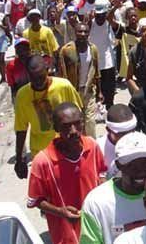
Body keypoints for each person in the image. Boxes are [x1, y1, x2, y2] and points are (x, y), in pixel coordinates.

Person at [27, 102, 107, 244]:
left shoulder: (92, 146)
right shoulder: (43, 161)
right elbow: (36, 200)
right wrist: (60, 212)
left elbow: (101, 172)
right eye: (66, 126)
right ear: (56, 128)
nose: (73, 131)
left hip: (97, 229)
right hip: (66, 236)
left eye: (77, 124)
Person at [13, 55, 83, 179]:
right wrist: (19, 159)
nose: (38, 82)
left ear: (47, 69)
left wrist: (83, 144)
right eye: (34, 78)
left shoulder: (63, 86)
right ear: (28, 75)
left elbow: (78, 117)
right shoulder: (22, 95)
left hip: (66, 147)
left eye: (41, 77)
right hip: (41, 152)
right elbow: (21, 129)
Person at [81, 132, 146, 244]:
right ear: (118, 165)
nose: (140, 170)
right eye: (131, 164)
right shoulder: (96, 203)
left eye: (145, 162)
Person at [59, 23, 102, 138]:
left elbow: (97, 72)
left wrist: (99, 91)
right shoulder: (66, 50)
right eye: (80, 32)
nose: (83, 34)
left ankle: (92, 145)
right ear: (75, 33)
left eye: (85, 32)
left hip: (88, 90)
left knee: (90, 121)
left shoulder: (93, 49)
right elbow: (62, 73)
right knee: (76, 120)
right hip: (73, 91)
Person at [88, 0, 118, 109]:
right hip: (94, 61)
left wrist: (114, 8)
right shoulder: (91, 23)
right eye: (98, 14)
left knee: (109, 88)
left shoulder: (109, 22)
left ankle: (110, 107)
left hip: (108, 61)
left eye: (103, 14)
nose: (100, 17)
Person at [96, 104, 138, 177]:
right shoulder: (98, 148)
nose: (128, 138)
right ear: (108, 130)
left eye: (132, 132)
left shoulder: (141, 143)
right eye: (123, 134)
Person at [126, 18, 146, 95]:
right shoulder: (134, 51)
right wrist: (138, 92)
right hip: (141, 87)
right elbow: (129, 77)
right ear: (139, 32)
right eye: (143, 30)